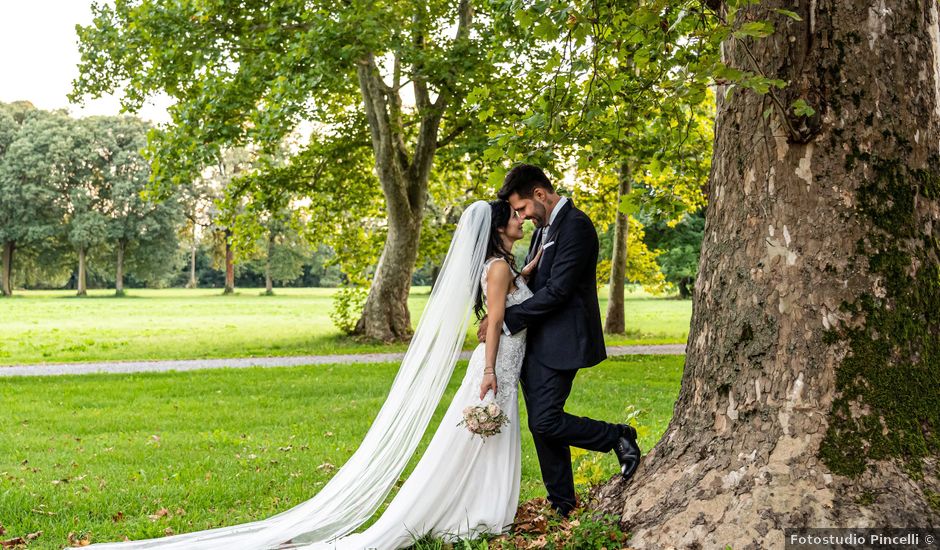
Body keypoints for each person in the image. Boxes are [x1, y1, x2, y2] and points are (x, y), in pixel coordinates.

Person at [86, 200, 538, 550]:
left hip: (503, 363)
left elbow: (513, 292)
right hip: (495, 365)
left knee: (485, 440)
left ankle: (481, 508)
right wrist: (489, 372)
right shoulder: (498, 268)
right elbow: (494, 320)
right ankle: (469, 511)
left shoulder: (505, 266)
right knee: (472, 440)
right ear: (499, 228)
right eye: (514, 217)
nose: (521, 220)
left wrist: (528, 273)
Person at [479, 164, 641, 518]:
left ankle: (617, 436)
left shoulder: (576, 226)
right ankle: (562, 503)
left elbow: (558, 291)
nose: (520, 217)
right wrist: (496, 312)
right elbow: (531, 284)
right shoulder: (541, 230)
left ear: (540, 194)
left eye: (521, 208)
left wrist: (507, 318)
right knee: (542, 425)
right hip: (534, 342)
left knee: (545, 421)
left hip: (563, 340)